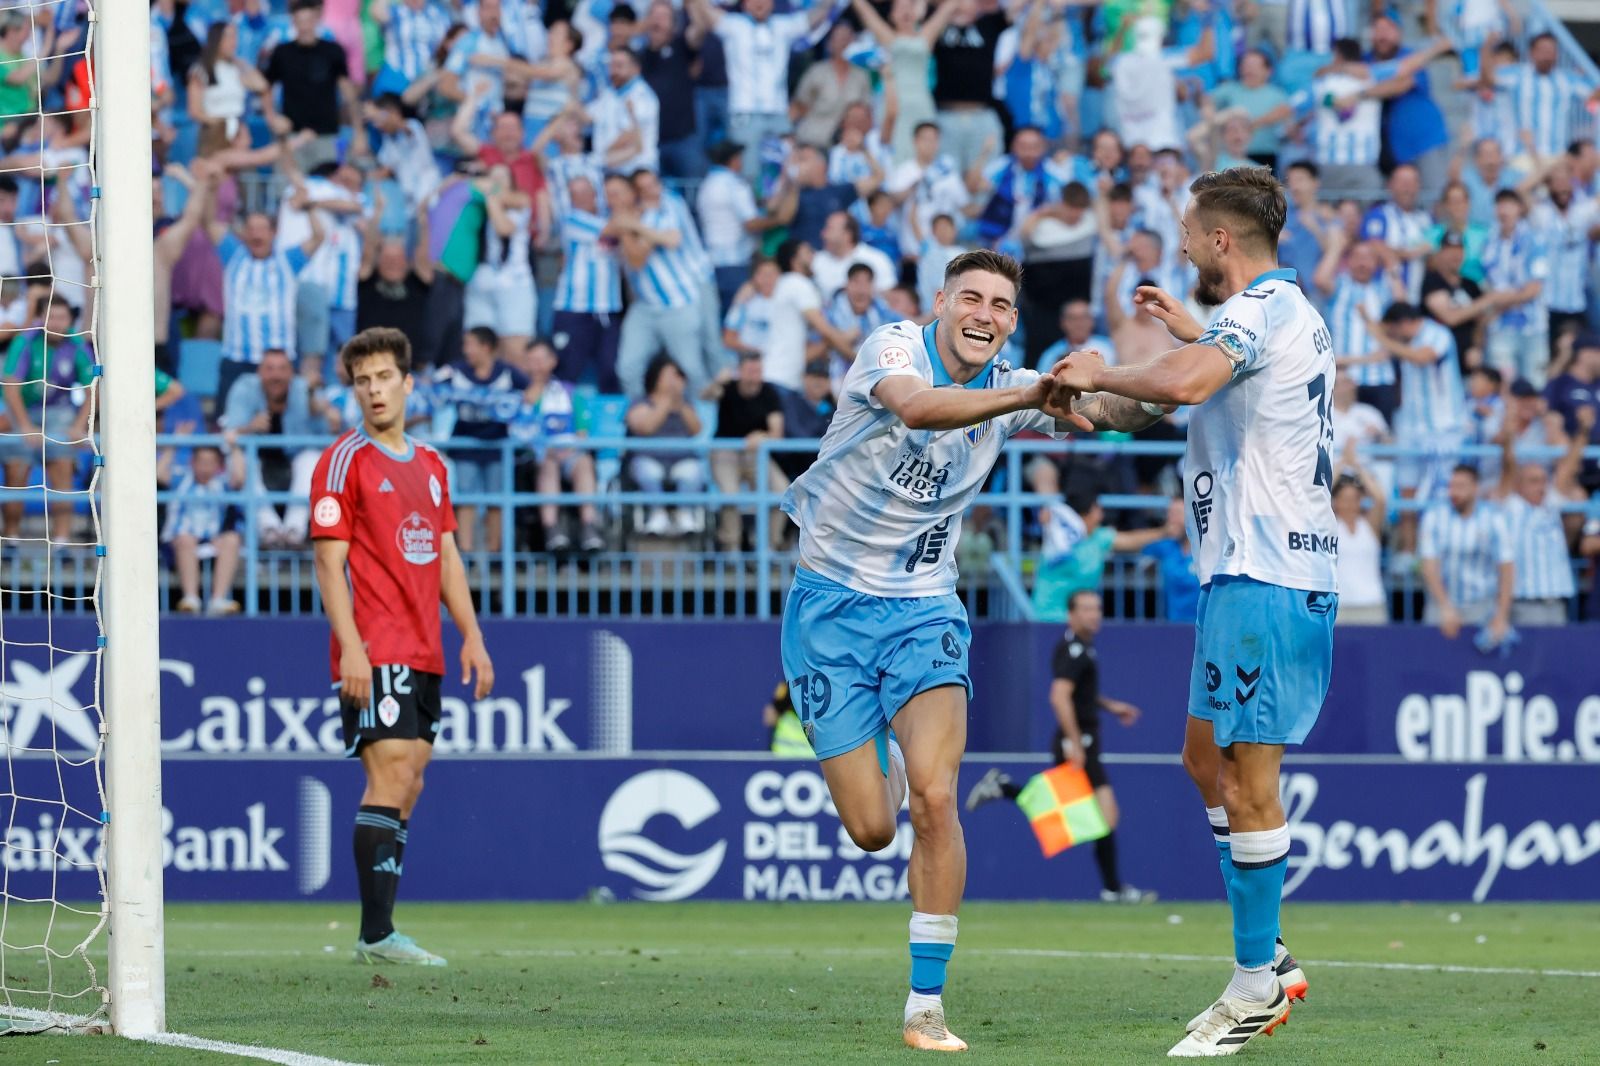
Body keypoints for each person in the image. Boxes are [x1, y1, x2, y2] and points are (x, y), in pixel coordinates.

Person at [779, 248, 1155, 1053]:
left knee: (938, 799)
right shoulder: (889, 349)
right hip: (828, 612)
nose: (986, 315)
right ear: (941, 303)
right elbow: (917, 409)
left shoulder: (1014, 383)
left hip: (923, 612)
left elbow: (1116, 412)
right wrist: (1030, 393)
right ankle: (877, 750)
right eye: (972, 299)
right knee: (874, 830)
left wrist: (1176, 375)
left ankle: (925, 1006)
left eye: (1002, 306)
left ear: (1014, 321)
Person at [1053, 167, 1335, 1055]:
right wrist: (1082, 405)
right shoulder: (1275, 315)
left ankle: (1256, 984)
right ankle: (1268, 955)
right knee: (1201, 758)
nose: (1178, 246)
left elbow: (1180, 386)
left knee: (1249, 782)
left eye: (1188, 231)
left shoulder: (1256, 313)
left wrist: (1108, 369)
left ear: (1222, 241)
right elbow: (1175, 395)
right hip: (1242, 575)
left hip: (1268, 573)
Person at [310, 327, 495, 967]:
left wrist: (471, 634)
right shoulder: (343, 461)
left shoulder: (432, 466)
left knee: (410, 781)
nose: (374, 390)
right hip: (376, 645)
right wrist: (352, 648)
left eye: (384, 377)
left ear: (408, 383)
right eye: (362, 381)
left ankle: (379, 932)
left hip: (424, 648)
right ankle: (376, 933)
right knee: (389, 773)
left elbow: (445, 555)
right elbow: (329, 566)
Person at [966, 588, 1153, 902]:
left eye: (1097, 608)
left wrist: (1109, 706)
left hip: (1081, 740)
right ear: (1071, 614)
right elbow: (1059, 696)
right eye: (1086, 609)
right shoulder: (1074, 651)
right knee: (1103, 815)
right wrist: (1075, 741)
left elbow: (1078, 694)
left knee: (1083, 812)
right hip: (1079, 742)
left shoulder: (1081, 647)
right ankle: (1113, 889)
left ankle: (1003, 786)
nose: (1094, 615)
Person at [432, 326, 530, 553]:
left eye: (470, 344)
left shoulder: (507, 373)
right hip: (465, 444)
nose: (466, 350)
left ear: (486, 347)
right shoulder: (456, 371)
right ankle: (466, 552)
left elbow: (530, 390)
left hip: (497, 446)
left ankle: (494, 553)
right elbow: (431, 385)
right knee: (467, 498)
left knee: (497, 501)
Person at [1492, 408, 1589, 625]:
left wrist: (1583, 431)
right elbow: (1508, 466)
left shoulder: (1551, 504)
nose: (1542, 486)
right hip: (1525, 602)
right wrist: (1508, 438)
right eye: (1534, 481)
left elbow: (1568, 467)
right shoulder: (1511, 507)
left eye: (1544, 480)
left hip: (1555, 600)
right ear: (1520, 485)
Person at [1418, 464, 1513, 642]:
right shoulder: (1434, 517)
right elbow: (1429, 566)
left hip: (1482, 606)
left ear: (1475, 488)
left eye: (1461, 487)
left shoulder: (1494, 518)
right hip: (1440, 604)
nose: (1454, 492)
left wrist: (1501, 615)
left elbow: (1507, 568)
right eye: (1451, 486)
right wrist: (1445, 607)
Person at [708, 351, 787, 553]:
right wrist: (717, 382)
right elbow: (704, 396)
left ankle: (768, 546)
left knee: (782, 491)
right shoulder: (727, 388)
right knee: (730, 494)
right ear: (739, 371)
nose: (754, 375)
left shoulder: (769, 392)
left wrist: (763, 437)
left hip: (755, 454)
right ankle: (731, 547)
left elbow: (776, 433)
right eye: (750, 370)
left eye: (758, 370)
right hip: (725, 452)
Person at [160, 443, 247, 616]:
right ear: (192, 462)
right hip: (181, 540)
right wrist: (174, 444)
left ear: (218, 465)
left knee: (232, 539)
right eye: (201, 462)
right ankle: (191, 599)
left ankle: (218, 600)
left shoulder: (221, 484)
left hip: (213, 539)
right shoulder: (181, 480)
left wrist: (234, 447)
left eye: (211, 462)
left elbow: (240, 478)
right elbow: (159, 474)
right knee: (186, 539)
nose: (205, 467)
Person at [625, 354, 706, 537]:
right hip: (649, 458)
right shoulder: (640, 403)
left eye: (677, 376)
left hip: (682, 458)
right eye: (668, 376)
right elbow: (645, 427)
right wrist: (664, 403)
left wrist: (681, 404)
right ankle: (657, 513)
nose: (673, 381)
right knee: (647, 471)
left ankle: (685, 514)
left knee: (694, 471)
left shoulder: (685, 405)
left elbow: (696, 429)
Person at [1331, 448, 1387, 625]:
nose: (1349, 503)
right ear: (1335, 501)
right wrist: (1341, 464)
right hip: (1339, 605)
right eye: (1344, 498)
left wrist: (1356, 465)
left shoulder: (1369, 525)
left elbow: (1380, 498)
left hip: (1372, 603)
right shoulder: (1330, 526)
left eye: (1354, 498)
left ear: (1360, 500)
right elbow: (1319, 494)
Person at [762, 680, 814, 757]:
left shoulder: (791, 681)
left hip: (807, 757)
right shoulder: (789, 683)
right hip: (786, 756)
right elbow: (770, 715)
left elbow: (770, 717)